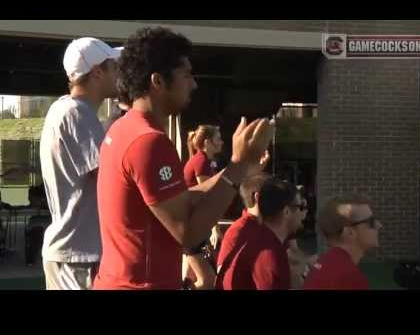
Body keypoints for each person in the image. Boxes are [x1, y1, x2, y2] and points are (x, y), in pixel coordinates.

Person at [93, 26, 274, 290]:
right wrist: (237, 167)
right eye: (186, 74)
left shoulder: (124, 128)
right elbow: (188, 234)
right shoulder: (148, 141)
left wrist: (238, 167)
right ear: (157, 81)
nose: (194, 83)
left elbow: (180, 200)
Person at [39, 37, 121, 290]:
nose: (120, 74)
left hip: (75, 252)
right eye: (115, 68)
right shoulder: (76, 113)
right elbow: (109, 177)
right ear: (97, 72)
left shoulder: (68, 110)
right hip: (78, 254)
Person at [221, 177, 304, 290]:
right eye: (300, 207)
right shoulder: (269, 250)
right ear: (287, 212)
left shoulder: (264, 239)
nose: (304, 212)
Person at [303, 194, 382, 290]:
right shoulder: (349, 277)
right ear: (349, 232)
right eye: (371, 222)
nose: (379, 225)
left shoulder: (323, 264)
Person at [182, 124, 224, 289]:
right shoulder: (201, 162)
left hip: (194, 226)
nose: (221, 142)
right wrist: (216, 228)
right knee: (208, 281)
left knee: (188, 280)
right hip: (192, 228)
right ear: (207, 142)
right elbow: (207, 199)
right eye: (218, 139)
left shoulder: (205, 161)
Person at [216, 173, 271, 289]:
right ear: (257, 197)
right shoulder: (238, 231)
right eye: (273, 195)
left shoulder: (267, 225)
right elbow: (224, 276)